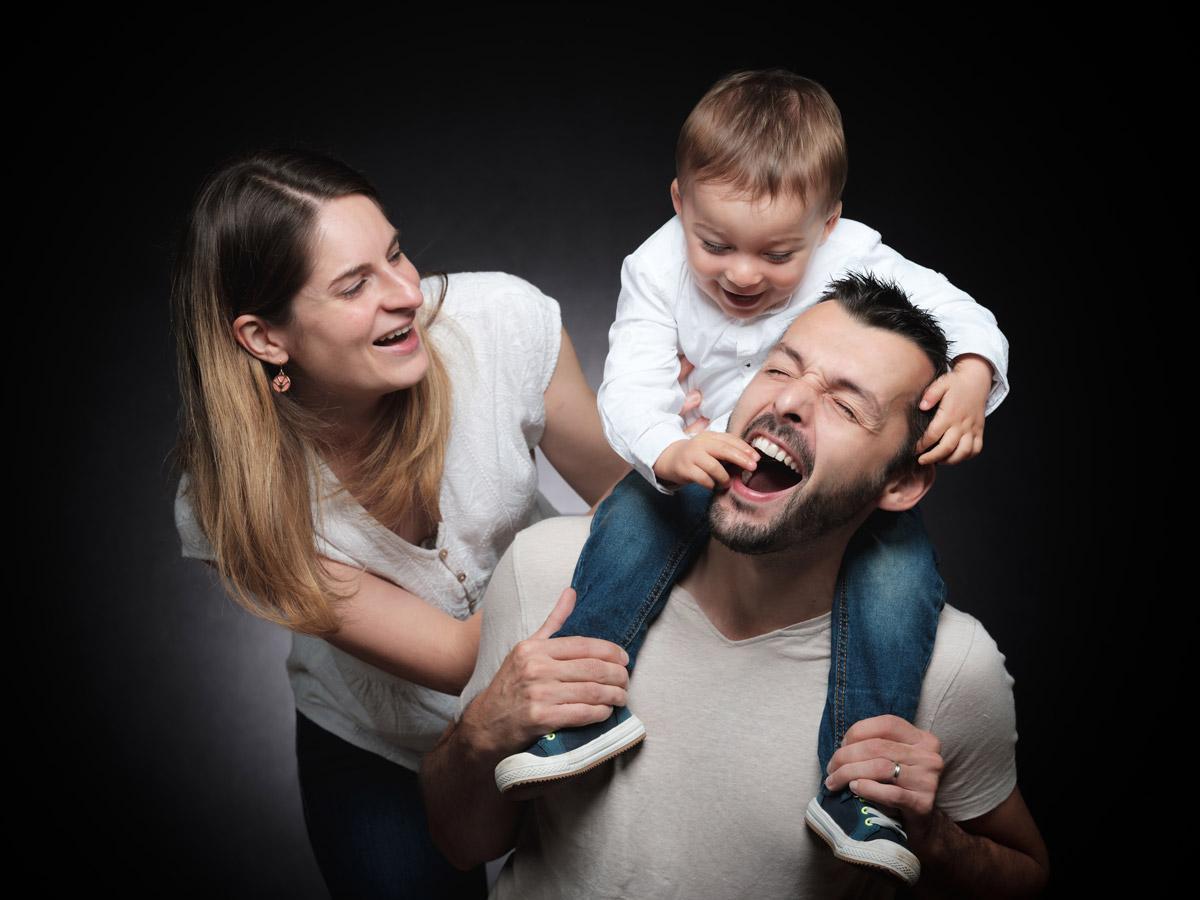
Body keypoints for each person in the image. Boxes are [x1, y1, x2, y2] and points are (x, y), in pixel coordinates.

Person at [494, 69, 1009, 883]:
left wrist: (976, 371)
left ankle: (863, 791)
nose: (739, 275)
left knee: (899, 582)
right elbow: (628, 382)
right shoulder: (655, 267)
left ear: (829, 223)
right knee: (628, 525)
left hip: (814, 496)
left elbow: (965, 317)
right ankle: (580, 713)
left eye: (778, 253)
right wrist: (668, 448)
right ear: (678, 203)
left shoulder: (856, 255)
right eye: (715, 243)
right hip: (701, 458)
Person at [422, 274, 1049, 898]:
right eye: (780, 369)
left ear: (901, 484)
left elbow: (1028, 876)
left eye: (847, 404)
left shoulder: (949, 671)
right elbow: (461, 845)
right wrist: (482, 730)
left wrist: (933, 834)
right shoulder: (552, 574)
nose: (791, 402)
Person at [169, 149, 628, 898]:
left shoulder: (498, 324)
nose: (407, 292)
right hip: (383, 748)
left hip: (565, 687)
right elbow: (453, 659)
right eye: (355, 285)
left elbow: (625, 494)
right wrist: (614, 552)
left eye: (396, 253)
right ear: (265, 339)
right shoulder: (229, 500)